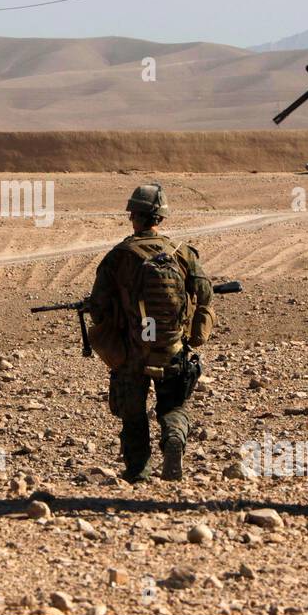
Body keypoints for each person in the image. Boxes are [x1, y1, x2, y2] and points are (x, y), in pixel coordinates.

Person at [85, 184, 214, 482]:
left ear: (134, 216)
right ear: (160, 218)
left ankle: (138, 471)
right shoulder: (183, 254)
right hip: (172, 349)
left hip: (132, 353)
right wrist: (193, 335)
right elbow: (205, 293)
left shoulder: (118, 257)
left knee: (133, 415)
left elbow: (99, 307)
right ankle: (174, 439)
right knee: (173, 405)